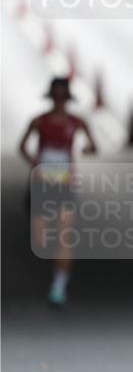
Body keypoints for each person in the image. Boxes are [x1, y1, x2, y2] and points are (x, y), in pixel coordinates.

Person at [18, 77, 97, 306]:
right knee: (42, 240)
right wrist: (32, 160)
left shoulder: (77, 122)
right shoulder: (39, 121)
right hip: (43, 182)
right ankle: (57, 273)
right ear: (51, 97)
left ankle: (59, 286)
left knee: (64, 238)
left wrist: (88, 148)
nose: (60, 101)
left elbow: (93, 145)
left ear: (68, 98)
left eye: (63, 97)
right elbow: (22, 146)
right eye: (57, 96)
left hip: (65, 183)